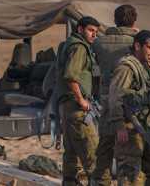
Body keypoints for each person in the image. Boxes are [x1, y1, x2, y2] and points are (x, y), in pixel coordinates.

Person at [108, 30, 150, 186]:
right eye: (149, 47)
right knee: (129, 174)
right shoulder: (127, 67)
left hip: (147, 128)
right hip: (130, 127)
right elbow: (116, 96)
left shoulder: (147, 67)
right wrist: (119, 125)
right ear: (137, 46)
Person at [91, 4, 139, 186]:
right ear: (133, 20)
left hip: (105, 101)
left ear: (115, 20)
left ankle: (100, 182)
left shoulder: (99, 42)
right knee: (126, 152)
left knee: (104, 148)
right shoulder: (136, 43)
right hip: (127, 104)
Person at [58, 15, 101, 186]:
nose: (93, 35)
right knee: (92, 153)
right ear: (80, 29)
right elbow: (70, 76)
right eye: (90, 30)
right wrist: (81, 100)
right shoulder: (80, 48)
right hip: (77, 108)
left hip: (68, 107)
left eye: (96, 32)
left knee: (71, 153)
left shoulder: (69, 44)